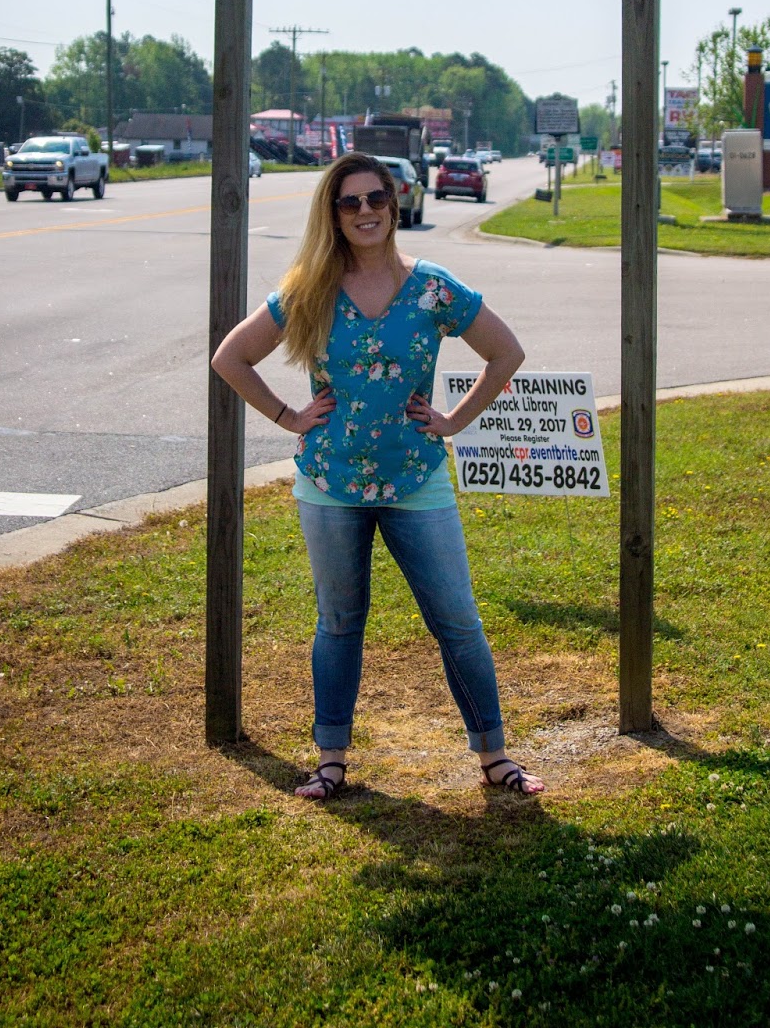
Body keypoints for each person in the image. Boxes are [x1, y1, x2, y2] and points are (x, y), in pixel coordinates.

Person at [211, 152, 545, 801]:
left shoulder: (434, 287)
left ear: (395, 205)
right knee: (339, 622)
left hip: (417, 480)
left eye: (376, 199)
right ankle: (331, 759)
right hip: (329, 485)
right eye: (350, 202)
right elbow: (231, 357)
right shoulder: (310, 287)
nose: (365, 211)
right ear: (333, 215)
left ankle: (495, 755)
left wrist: (453, 421)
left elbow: (507, 353)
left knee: (457, 620)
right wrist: (288, 416)